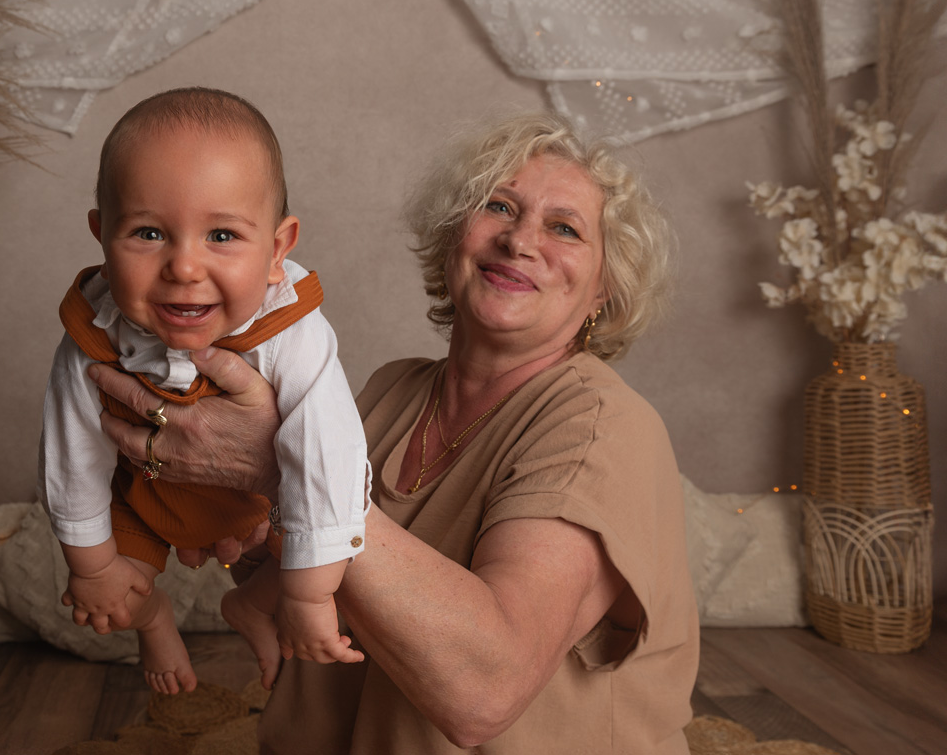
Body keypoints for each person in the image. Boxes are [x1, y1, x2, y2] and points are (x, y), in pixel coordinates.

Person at [87, 109, 699, 753]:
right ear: (452, 233)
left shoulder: (601, 429)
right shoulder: (393, 389)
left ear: (604, 288)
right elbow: (314, 580)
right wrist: (223, 513)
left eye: (565, 229)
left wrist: (281, 465)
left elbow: (483, 695)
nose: (520, 242)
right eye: (497, 207)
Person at [39, 88, 371, 696]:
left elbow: (328, 450)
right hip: (141, 500)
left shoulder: (291, 331)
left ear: (276, 251)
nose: (184, 267)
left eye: (221, 236)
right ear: (102, 235)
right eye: (146, 233)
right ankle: (154, 620)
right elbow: (71, 452)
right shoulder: (92, 334)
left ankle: (252, 602)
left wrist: (306, 592)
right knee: (108, 599)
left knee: (332, 536)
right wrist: (90, 564)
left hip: (255, 509)